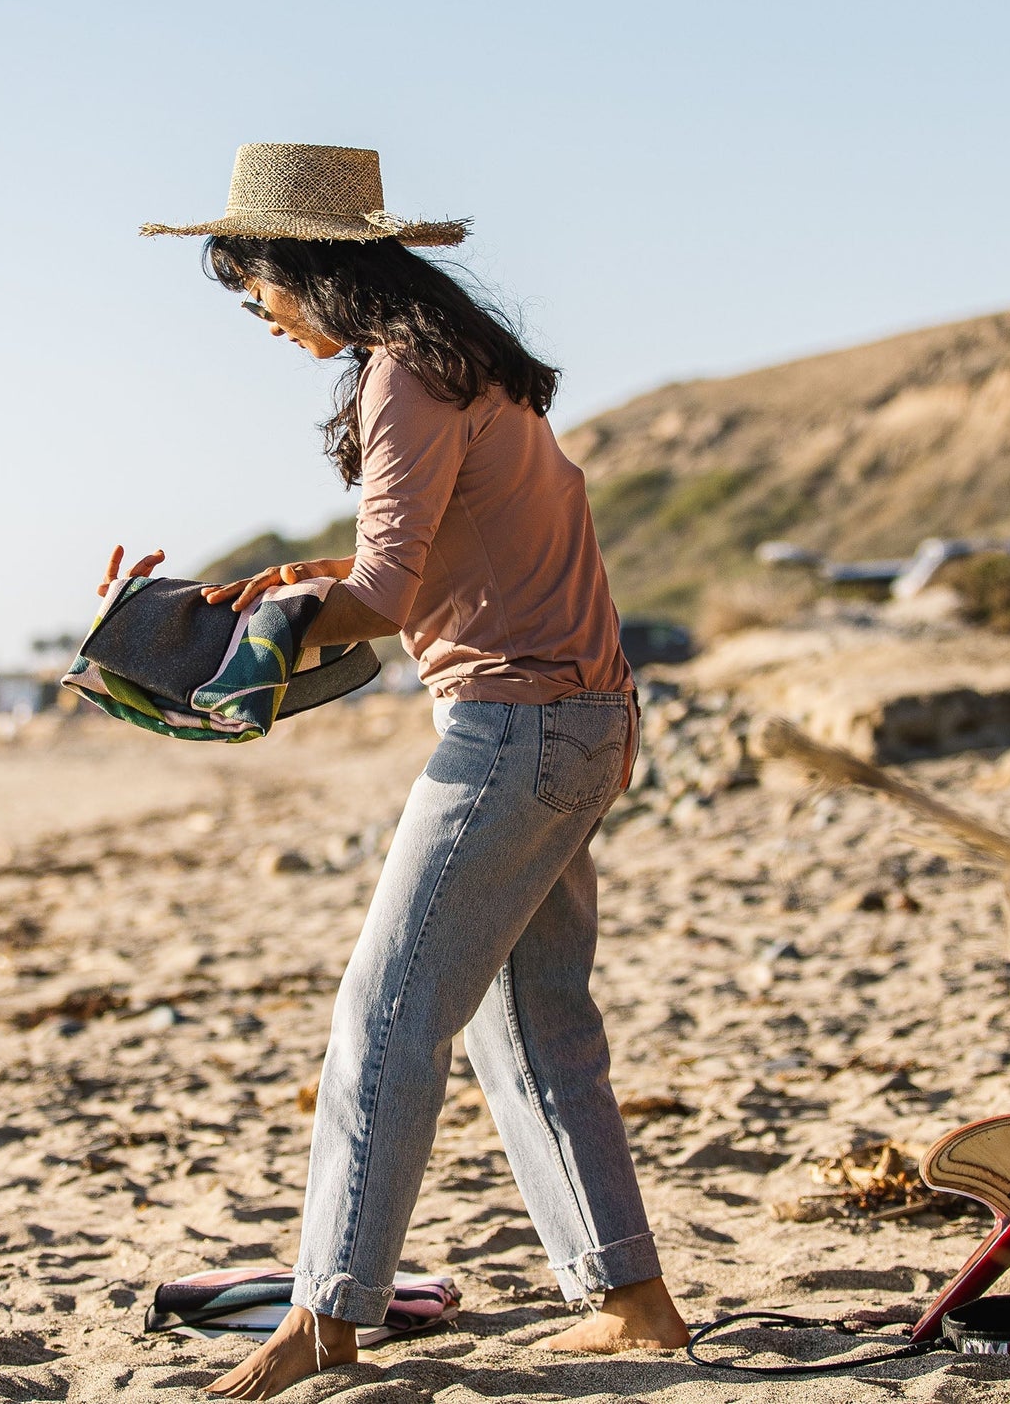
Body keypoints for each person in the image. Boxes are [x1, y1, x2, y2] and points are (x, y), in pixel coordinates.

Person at [105, 143, 688, 1399]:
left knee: (382, 1017)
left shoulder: (400, 375)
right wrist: (288, 587)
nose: (261, 316)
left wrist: (225, 636)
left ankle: (323, 1317)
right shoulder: (460, 363)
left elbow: (381, 595)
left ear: (307, 265)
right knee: (530, 1020)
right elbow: (430, 560)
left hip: (513, 728)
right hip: (581, 721)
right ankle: (630, 1301)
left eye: (255, 287)